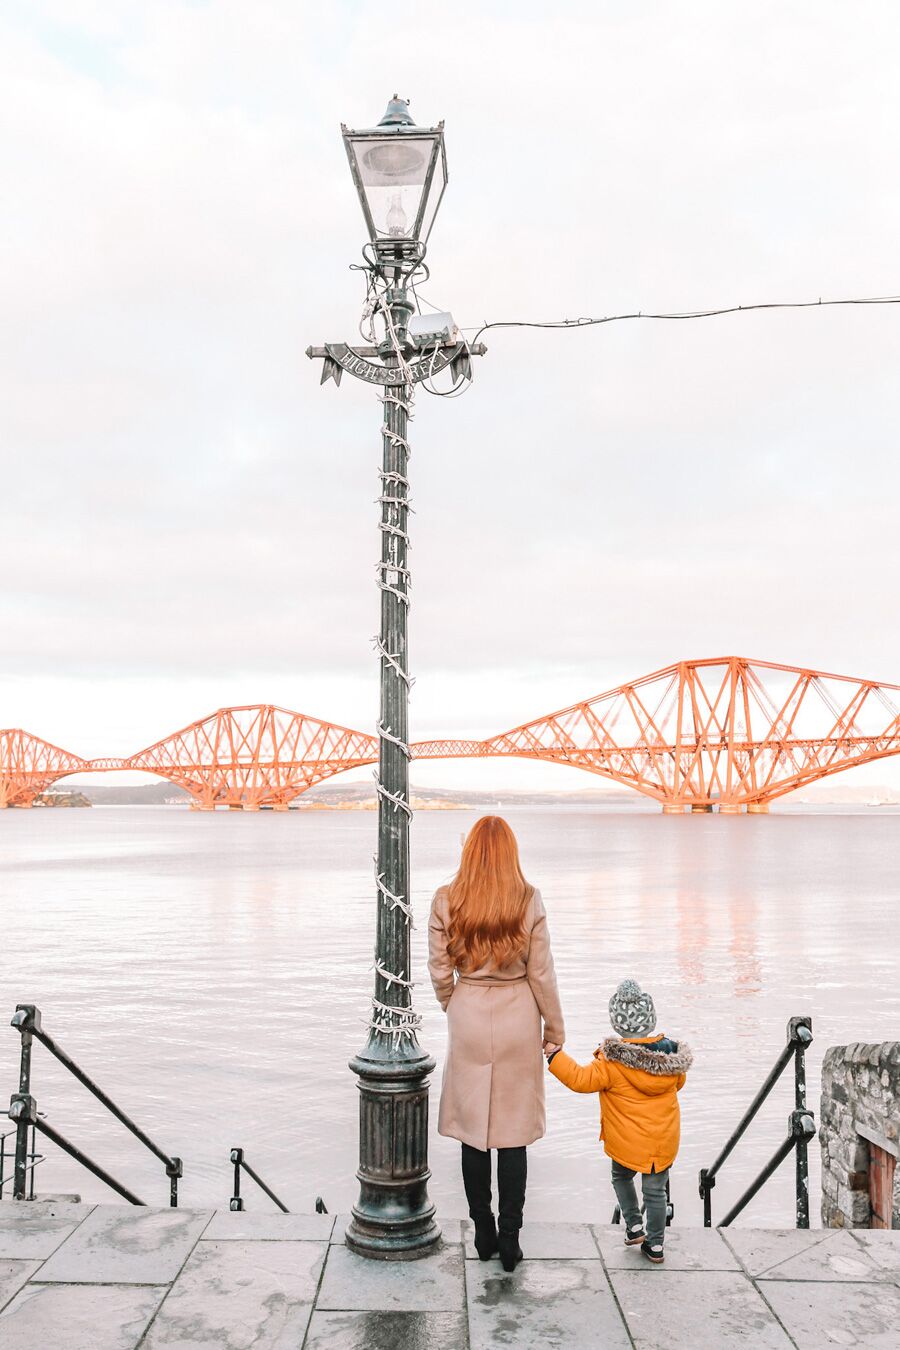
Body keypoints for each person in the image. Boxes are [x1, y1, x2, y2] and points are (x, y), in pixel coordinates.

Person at [428, 816, 565, 1272]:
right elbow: (541, 974)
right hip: (517, 1016)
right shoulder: (528, 900)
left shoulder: (447, 899)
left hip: (468, 1012)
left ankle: (482, 1231)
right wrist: (554, 1030)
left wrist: (456, 1003)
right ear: (511, 853)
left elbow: (438, 970)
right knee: (512, 1134)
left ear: (469, 851)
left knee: (473, 1133)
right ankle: (510, 1240)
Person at [544, 978, 691, 1264]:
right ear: (650, 1020)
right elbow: (679, 1084)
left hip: (626, 1141)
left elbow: (579, 1079)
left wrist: (554, 1055)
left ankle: (634, 1224)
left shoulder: (611, 1064)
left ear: (618, 1024)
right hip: (662, 1141)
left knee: (621, 1176)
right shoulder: (671, 1059)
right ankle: (656, 1245)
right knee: (656, 1191)